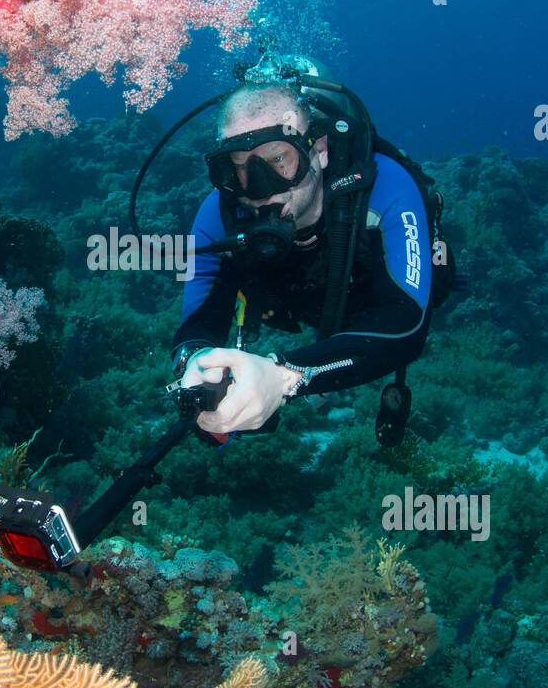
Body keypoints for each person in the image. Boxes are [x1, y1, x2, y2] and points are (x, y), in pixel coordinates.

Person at [173, 67, 437, 439]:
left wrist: (282, 377)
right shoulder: (219, 215)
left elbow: (406, 324)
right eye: (238, 168)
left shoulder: (387, 189)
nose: (261, 189)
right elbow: (197, 323)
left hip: (371, 304)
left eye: (279, 159)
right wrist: (198, 368)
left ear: (320, 150)